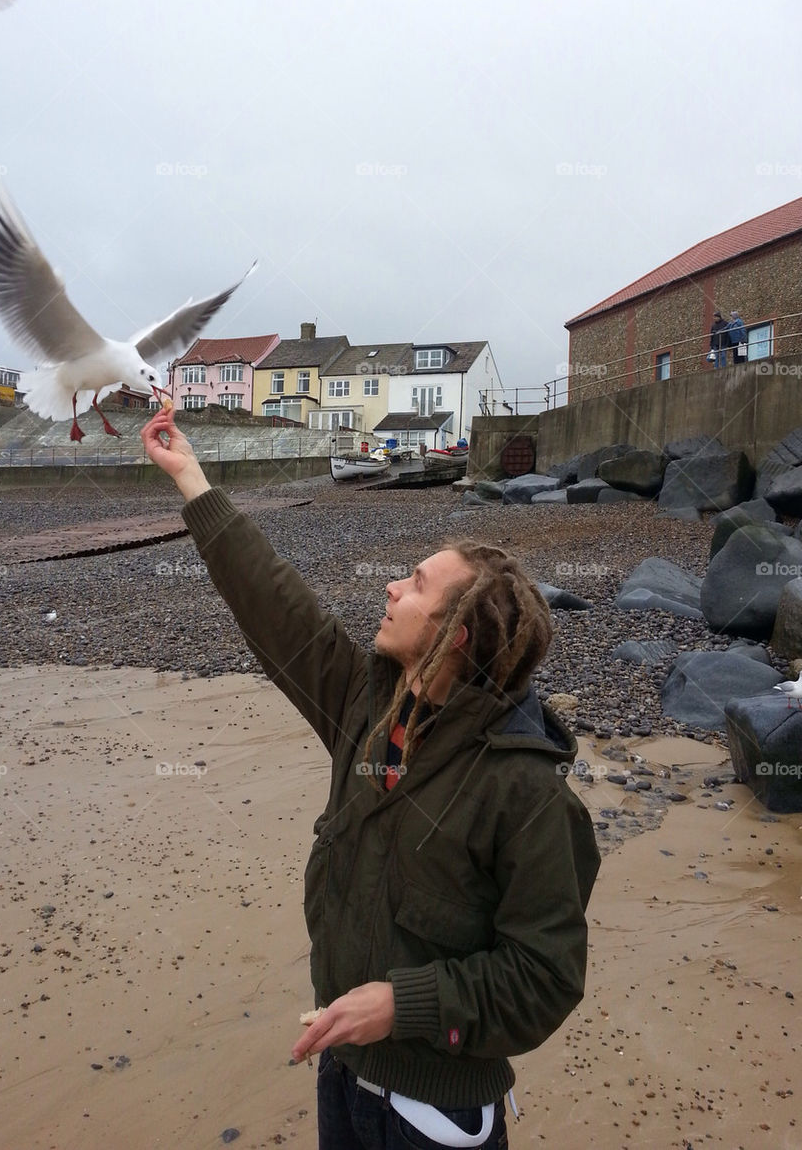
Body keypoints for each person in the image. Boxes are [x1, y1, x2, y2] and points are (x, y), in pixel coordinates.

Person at [141, 410, 600, 1150]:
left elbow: (545, 977)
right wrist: (191, 478)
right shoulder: (370, 707)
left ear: (453, 635)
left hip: (435, 1120)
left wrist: (402, 1004)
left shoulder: (526, 793)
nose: (390, 587)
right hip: (344, 1078)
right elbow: (276, 607)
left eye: (414, 583)